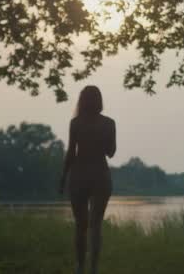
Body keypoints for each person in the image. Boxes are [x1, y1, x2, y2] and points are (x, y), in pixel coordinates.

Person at [59, 85, 116, 274]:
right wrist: (103, 139)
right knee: (96, 224)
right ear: (99, 101)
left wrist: (63, 178)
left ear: (81, 101)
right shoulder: (109, 123)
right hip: (100, 175)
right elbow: (111, 152)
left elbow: (70, 153)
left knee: (80, 225)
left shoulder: (75, 123)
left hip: (78, 175)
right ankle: (93, 269)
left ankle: (79, 267)